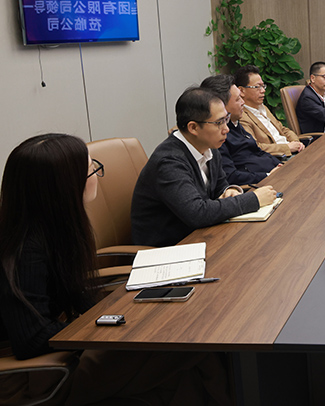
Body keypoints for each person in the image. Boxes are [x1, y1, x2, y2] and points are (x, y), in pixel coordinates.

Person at [0, 134, 232, 405]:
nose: (97, 176)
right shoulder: (25, 249)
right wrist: (104, 325)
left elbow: (75, 296)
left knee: (182, 368)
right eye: (91, 170)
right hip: (43, 374)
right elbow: (31, 340)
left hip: (68, 345)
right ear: (64, 186)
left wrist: (112, 317)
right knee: (189, 342)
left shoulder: (54, 226)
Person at [131, 87, 276, 247]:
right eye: (219, 123)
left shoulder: (209, 147)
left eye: (226, 119)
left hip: (202, 235)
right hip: (170, 247)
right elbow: (197, 213)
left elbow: (221, 186)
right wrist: (253, 199)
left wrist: (229, 191)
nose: (226, 129)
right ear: (193, 127)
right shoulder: (169, 161)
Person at [200, 74, 282, 186]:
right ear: (220, 105)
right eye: (238, 99)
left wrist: (281, 166)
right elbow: (230, 176)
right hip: (258, 185)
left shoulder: (235, 123)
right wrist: (267, 176)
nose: (243, 102)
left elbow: (257, 151)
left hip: (274, 175)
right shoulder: (217, 135)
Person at [234, 65, 305, 156]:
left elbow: (282, 129)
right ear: (241, 91)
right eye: (257, 87)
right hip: (279, 157)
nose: (263, 90)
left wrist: (296, 142)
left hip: (293, 152)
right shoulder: (241, 116)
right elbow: (255, 147)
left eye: (263, 86)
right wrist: (287, 147)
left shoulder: (263, 107)